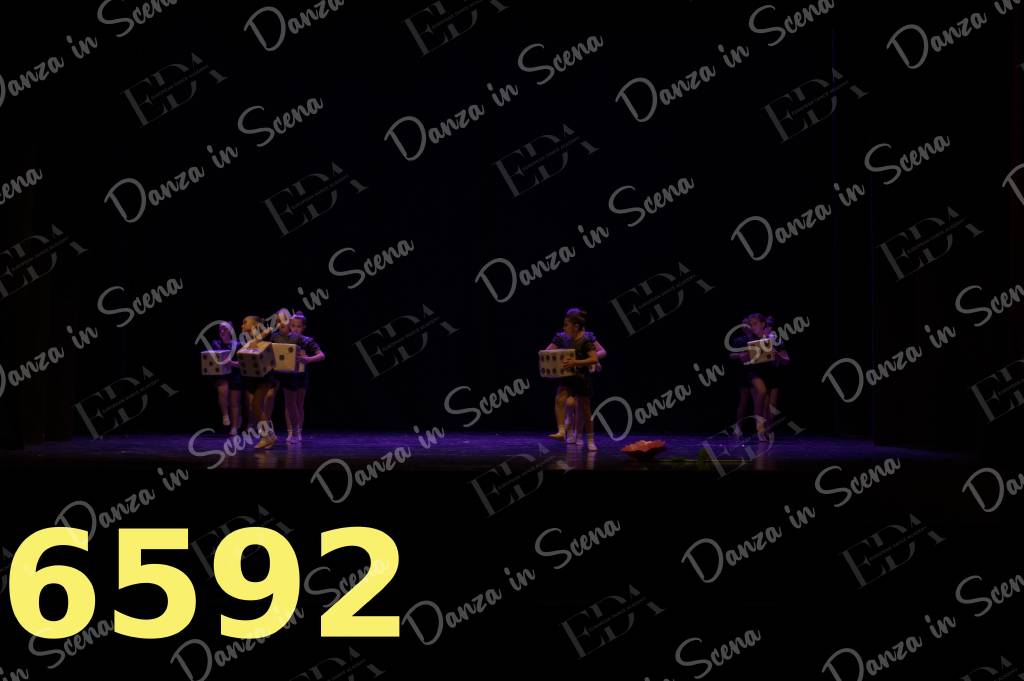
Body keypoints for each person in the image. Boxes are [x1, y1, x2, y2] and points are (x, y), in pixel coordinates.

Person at [544, 308, 606, 444]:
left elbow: (601, 352)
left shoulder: (587, 337)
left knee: (580, 405)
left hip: (581, 374)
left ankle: (578, 434)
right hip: (568, 375)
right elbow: (548, 353)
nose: (565, 326)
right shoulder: (562, 337)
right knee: (567, 402)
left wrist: (594, 361)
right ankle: (568, 429)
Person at [279, 311, 326, 443]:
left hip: (301, 376)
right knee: (289, 404)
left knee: (299, 404)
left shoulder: (307, 341)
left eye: (298, 326)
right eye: (293, 325)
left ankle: (298, 431)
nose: (295, 329)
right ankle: (290, 431)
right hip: (288, 376)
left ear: (303, 327)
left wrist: (308, 359)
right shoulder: (285, 339)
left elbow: (322, 355)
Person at [234, 314, 279, 449]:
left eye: (245, 322)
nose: (242, 325)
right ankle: (270, 435)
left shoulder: (264, 335)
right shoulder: (245, 341)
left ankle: (266, 437)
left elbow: (269, 330)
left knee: (255, 405)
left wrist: (258, 335)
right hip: (252, 378)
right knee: (254, 407)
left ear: (255, 325)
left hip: (264, 378)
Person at [210, 321, 242, 436]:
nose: (222, 331)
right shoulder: (216, 343)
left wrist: (231, 363)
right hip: (222, 375)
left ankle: (234, 427)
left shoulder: (238, 344)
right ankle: (225, 414)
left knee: (234, 402)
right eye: (220, 329)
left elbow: (243, 363)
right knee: (223, 388)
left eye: (225, 328)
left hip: (235, 374)